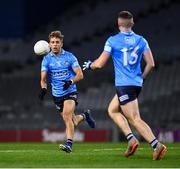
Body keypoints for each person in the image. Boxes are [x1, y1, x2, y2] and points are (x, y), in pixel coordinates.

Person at [83, 11, 167, 160]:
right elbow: (151, 64)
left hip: (124, 85)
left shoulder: (112, 41)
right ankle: (131, 139)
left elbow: (100, 63)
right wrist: (142, 78)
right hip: (135, 84)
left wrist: (90, 65)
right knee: (112, 109)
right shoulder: (142, 40)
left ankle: (156, 145)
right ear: (132, 23)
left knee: (134, 118)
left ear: (118, 24)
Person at [39, 30, 96, 153]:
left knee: (66, 116)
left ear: (61, 44)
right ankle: (85, 116)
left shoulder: (70, 57)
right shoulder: (46, 59)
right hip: (56, 94)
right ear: (49, 44)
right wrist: (43, 89)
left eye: (57, 42)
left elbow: (80, 75)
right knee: (73, 121)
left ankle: (69, 144)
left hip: (70, 91)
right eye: (52, 42)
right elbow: (43, 79)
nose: (54, 44)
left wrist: (70, 82)